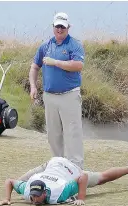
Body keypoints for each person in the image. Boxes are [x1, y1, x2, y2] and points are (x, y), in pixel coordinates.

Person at [28, 12, 85, 169]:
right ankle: (58, 167)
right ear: (53, 27)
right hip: (50, 96)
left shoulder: (74, 45)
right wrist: (33, 86)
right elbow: (34, 67)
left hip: (69, 95)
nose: (60, 29)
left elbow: (78, 65)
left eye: (63, 26)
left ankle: (76, 169)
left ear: (68, 27)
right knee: (53, 134)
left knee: (72, 133)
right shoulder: (45, 46)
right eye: (57, 26)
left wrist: (55, 62)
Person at [0, 157, 128, 206]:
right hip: (51, 165)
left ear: (45, 192)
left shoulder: (60, 192)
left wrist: (80, 198)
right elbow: (9, 181)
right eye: (33, 196)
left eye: (36, 196)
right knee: (20, 181)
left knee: (101, 178)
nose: (34, 200)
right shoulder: (28, 189)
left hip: (71, 170)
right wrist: (7, 199)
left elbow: (83, 177)